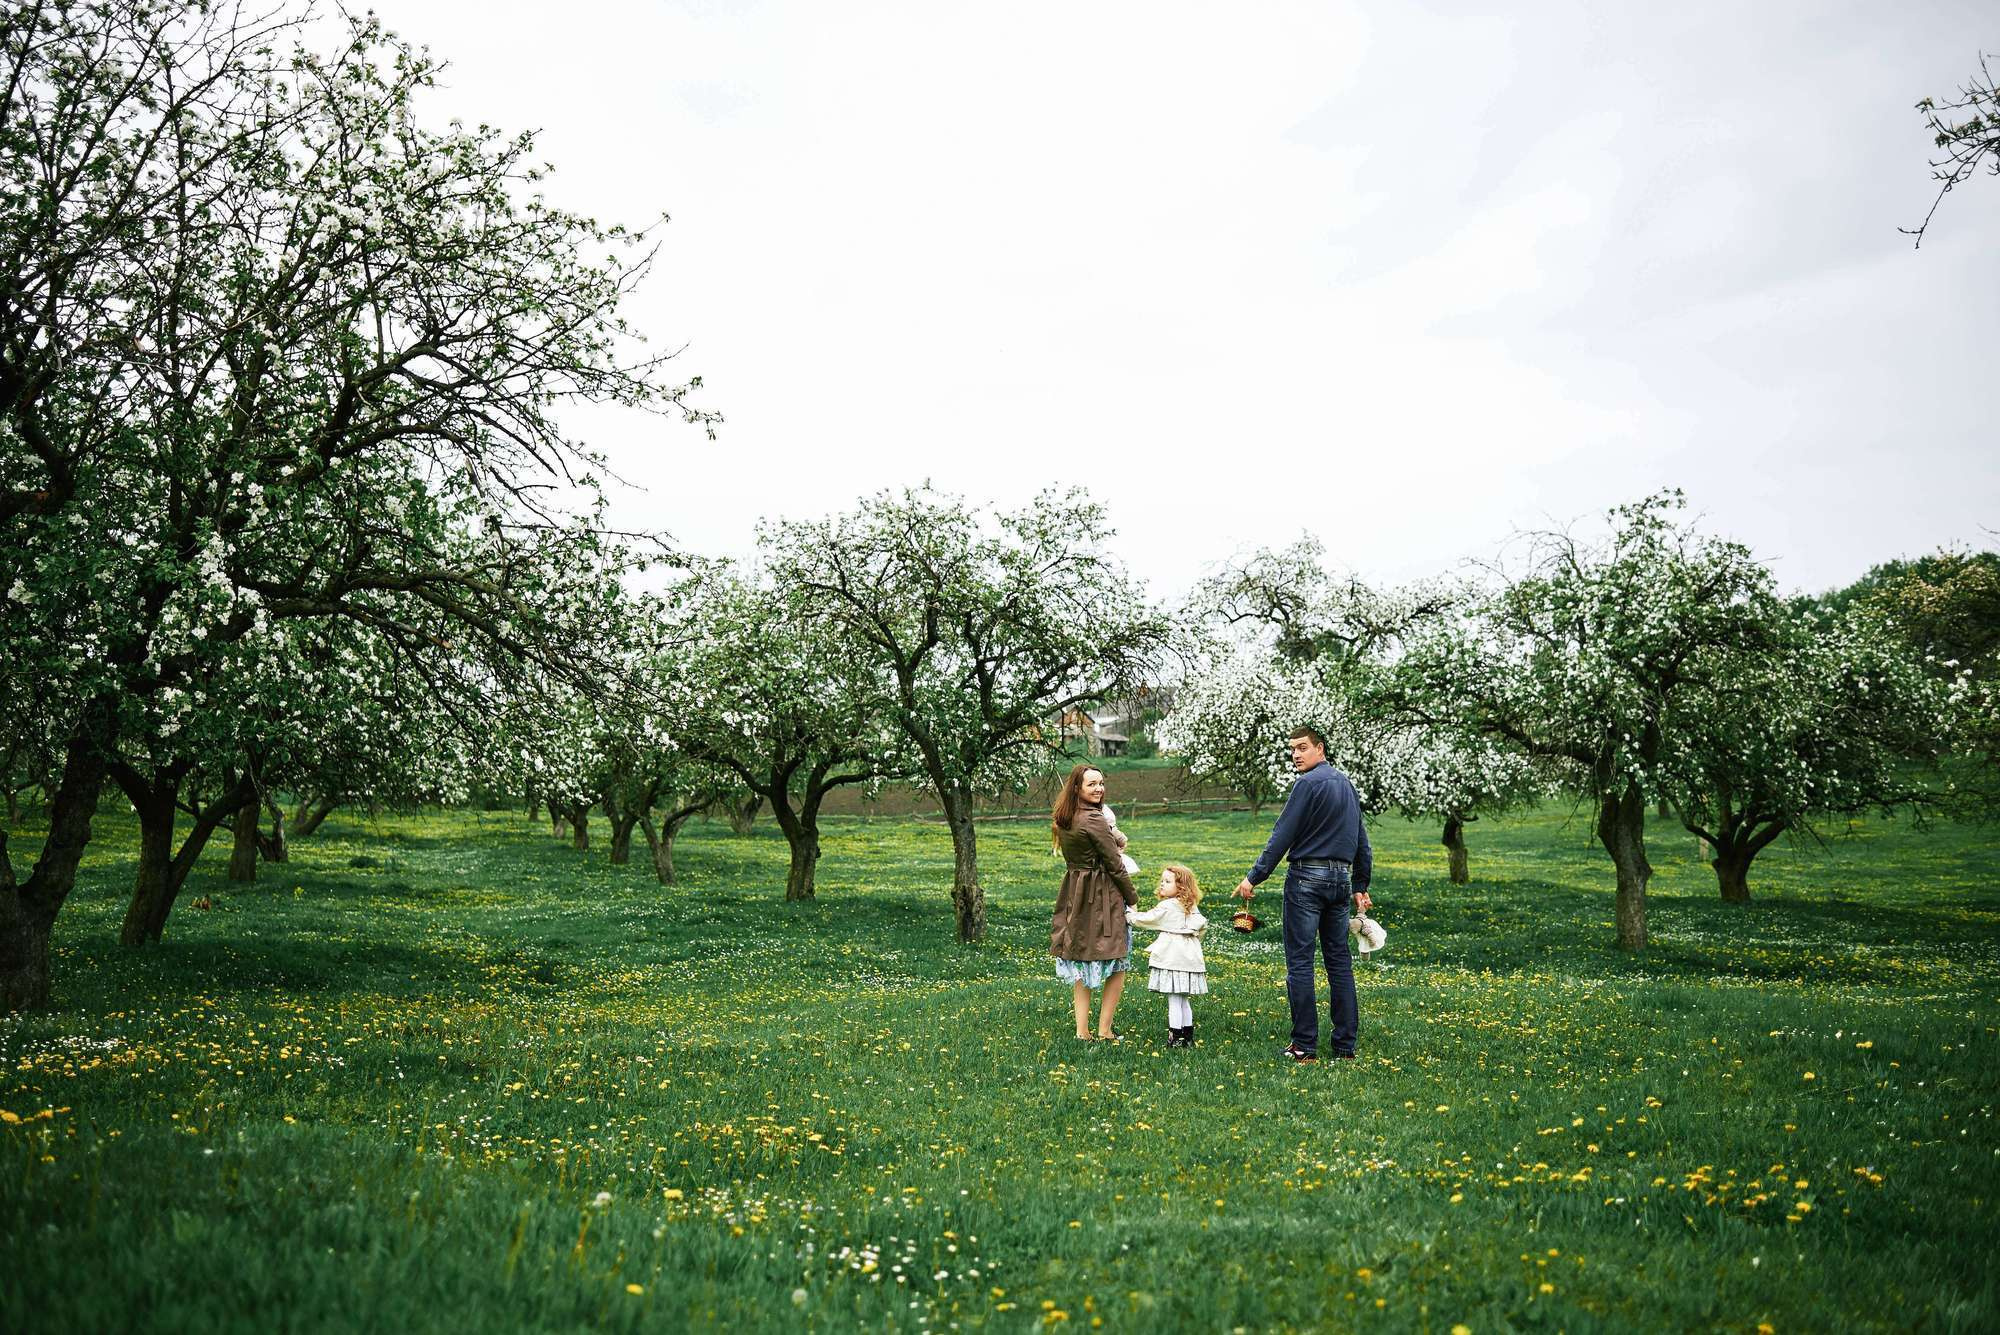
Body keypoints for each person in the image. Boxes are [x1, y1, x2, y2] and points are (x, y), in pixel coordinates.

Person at [1235, 726, 1374, 1062]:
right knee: (1339, 963)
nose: (1296, 755)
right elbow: (1362, 842)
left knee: (1300, 963)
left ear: (1320, 748)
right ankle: (1344, 1046)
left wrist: (1254, 877)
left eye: (1302, 748)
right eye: (1292, 750)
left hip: (1307, 879)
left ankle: (1304, 1046)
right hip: (1340, 880)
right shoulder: (1346, 785)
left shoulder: (1306, 785)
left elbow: (1282, 835)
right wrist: (1360, 886)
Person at [1050, 764, 1139, 1041]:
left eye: (1101, 783)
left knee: (1080, 959)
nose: (1099, 788)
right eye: (1092, 784)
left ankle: (1082, 1031)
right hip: (1101, 893)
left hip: (1075, 891)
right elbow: (1114, 865)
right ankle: (1104, 1030)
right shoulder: (1094, 819)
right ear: (1078, 788)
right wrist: (1132, 898)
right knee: (1117, 959)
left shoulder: (1065, 817)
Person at [1127, 863, 1208, 1047]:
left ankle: (1175, 1037)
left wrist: (1128, 915)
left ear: (1181, 886)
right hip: (1190, 960)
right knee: (1184, 1000)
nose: (1162, 884)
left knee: (1173, 1000)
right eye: (1162, 880)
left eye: (1167, 881)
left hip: (1172, 960)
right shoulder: (1192, 907)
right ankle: (1187, 1037)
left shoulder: (1167, 906)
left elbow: (1146, 919)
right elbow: (1202, 928)